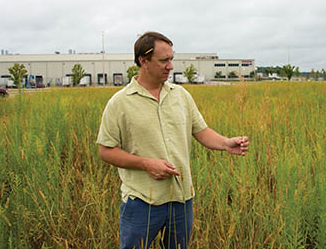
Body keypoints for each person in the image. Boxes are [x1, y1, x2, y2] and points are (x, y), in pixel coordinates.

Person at [97, 31, 249, 249]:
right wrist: (146, 164)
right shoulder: (119, 103)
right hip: (141, 201)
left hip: (181, 200)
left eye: (171, 59)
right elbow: (106, 151)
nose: (170, 66)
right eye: (163, 60)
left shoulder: (181, 95)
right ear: (143, 61)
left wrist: (226, 143)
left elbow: (201, 131)